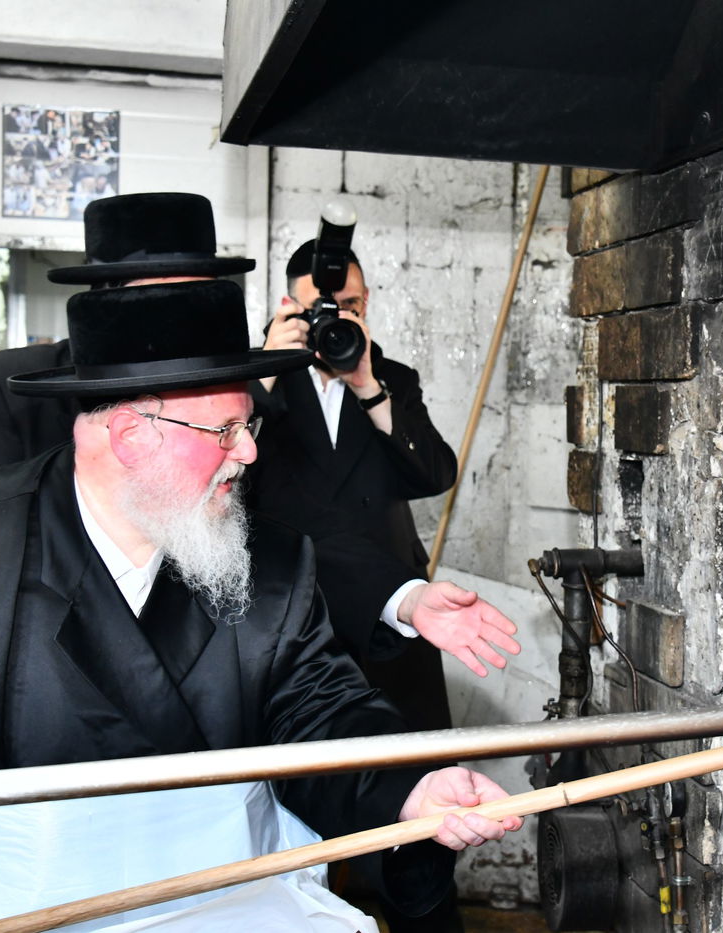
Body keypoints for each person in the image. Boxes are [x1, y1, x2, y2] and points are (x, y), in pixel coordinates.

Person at [0, 280, 523, 931]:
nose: (250, 453)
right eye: (225, 431)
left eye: (249, 425)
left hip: (221, 906)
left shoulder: (273, 562)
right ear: (133, 435)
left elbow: (323, 711)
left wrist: (407, 791)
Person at [0, 192, 519, 674]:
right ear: (103, 299)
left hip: (195, 683)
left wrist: (404, 597)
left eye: (192, 294)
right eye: (154, 296)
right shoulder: (2, 390)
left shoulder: (235, 397)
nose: (176, 316)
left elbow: (291, 525)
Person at [253, 238, 463, 932]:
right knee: (292, 831)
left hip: (394, 631)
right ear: (289, 309)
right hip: (291, 630)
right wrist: (265, 374)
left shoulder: (389, 376)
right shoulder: (257, 386)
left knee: (420, 827)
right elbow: (228, 487)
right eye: (321, 310)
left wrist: (370, 386)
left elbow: (434, 472)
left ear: (366, 307)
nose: (336, 320)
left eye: (350, 306)